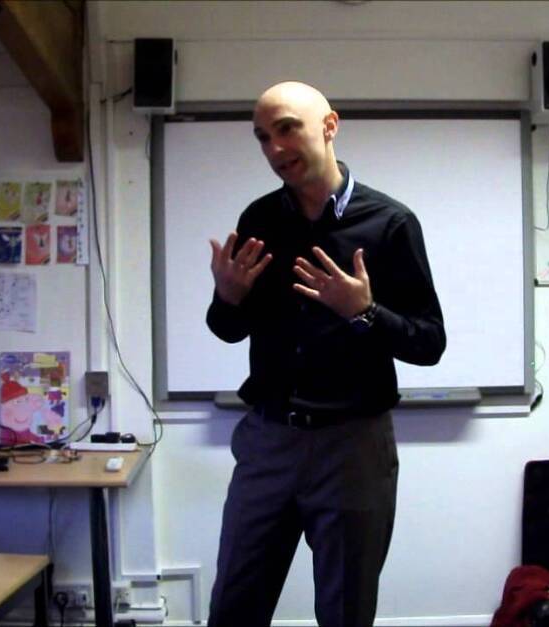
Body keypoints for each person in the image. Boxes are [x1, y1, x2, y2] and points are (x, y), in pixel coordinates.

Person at [205, 81, 446, 627]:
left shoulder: (389, 224)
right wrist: (228, 298)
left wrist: (364, 312)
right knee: (234, 607)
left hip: (352, 447)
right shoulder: (260, 219)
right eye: (262, 137)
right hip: (268, 440)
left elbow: (429, 342)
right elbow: (226, 330)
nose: (275, 148)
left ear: (329, 126)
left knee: (345, 612)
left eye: (287, 129)